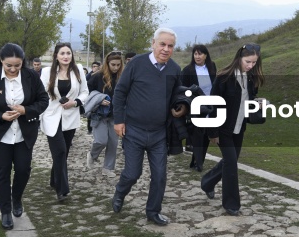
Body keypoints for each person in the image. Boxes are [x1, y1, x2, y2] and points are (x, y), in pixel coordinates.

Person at [111, 27, 185, 226]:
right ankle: (120, 192)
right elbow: (120, 93)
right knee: (133, 173)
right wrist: (118, 120)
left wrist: (180, 108)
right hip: (133, 130)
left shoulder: (175, 70)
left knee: (160, 176)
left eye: (170, 46)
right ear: (153, 43)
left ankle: (153, 211)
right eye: (162, 44)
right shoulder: (136, 64)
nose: (166, 49)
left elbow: (176, 97)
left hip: (159, 133)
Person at [0, 43, 49, 230]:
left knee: (23, 170)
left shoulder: (31, 76)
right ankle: (5, 210)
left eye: (18, 65)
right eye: (9, 66)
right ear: (1, 61)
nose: (14, 69)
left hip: (24, 134)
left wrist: (27, 110)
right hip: (0, 135)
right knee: (2, 172)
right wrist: (0, 115)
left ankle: (16, 198)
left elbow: (43, 100)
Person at [200, 43, 265, 216]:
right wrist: (212, 132)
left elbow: (248, 99)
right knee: (231, 165)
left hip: (239, 128)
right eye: (247, 62)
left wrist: (257, 103)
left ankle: (207, 182)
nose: (250, 66)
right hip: (222, 128)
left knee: (230, 161)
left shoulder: (251, 79)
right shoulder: (223, 78)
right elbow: (212, 105)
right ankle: (231, 204)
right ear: (239, 58)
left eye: (254, 63)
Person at [40, 42, 89, 201]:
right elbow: (41, 94)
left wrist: (75, 102)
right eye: (62, 53)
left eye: (68, 53)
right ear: (56, 56)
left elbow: (85, 92)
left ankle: (54, 180)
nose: (66, 56)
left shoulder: (78, 70)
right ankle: (62, 190)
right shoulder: (47, 72)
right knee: (60, 150)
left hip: (70, 117)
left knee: (64, 152)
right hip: (51, 116)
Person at [84, 51, 124, 177]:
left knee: (113, 143)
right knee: (101, 141)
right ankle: (92, 155)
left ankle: (108, 168)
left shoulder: (122, 76)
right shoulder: (97, 76)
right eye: (113, 64)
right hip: (99, 114)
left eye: (118, 65)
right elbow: (87, 92)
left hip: (115, 114)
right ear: (107, 63)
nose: (116, 67)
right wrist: (99, 99)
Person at [181, 44, 217, 172]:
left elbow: (215, 85)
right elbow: (183, 89)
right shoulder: (188, 70)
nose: (197, 56)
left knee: (207, 133)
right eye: (195, 54)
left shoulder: (212, 67)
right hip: (195, 105)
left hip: (210, 103)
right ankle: (199, 163)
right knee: (197, 134)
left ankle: (196, 159)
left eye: (200, 54)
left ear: (205, 55)